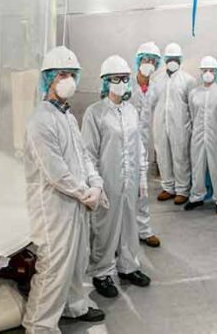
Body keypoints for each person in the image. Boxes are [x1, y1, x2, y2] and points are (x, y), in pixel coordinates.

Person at [23, 46, 107, 332]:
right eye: (62, 74)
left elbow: (83, 157)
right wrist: (87, 193)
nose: (68, 80)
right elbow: (55, 171)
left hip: (76, 203)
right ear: (48, 79)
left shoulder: (68, 117)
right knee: (55, 267)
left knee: (77, 260)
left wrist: (96, 183)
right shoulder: (40, 119)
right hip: (54, 207)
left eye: (72, 74)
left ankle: (74, 306)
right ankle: (39, 325)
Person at [82, 55, 152, 299]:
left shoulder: (132, 111)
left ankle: (128, 266)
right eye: (115, 79)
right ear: (105, 82)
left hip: (130, 180)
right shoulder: (95, 113)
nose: (121, 83)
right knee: (105, 228)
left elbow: (139, 145)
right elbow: (87, 153)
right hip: (107, 181)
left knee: (130, 225)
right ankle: (102, 273)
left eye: (124, 78)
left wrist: (142, 175)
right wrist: (95, 183)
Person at [151, 42, 196, 206]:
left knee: (180, 156)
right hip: (160, 123)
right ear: (164, 60)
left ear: (181, 59)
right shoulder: (157, 79)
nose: (172, 61)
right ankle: (168, 187)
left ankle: (182, 189)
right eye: (170, 58)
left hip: (180, 124)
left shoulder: (188, 80)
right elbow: (152, 102)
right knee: (163, 155)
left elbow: (192, 106)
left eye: (175, 58)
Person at [187, 56, 217, 213]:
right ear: (200, 72)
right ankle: (196, 196)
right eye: (205, 70)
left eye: (211, 70)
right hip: (198, 135)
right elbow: (192, 114)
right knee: (197, 167)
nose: (208, 73)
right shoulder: (194, 93)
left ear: (216, 72)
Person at [129, 41, 161, 248]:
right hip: (123, 145)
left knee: (142, 188)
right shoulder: (126, 84)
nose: (148, 63)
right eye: (145, 59)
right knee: (120, 190)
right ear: (138, 61)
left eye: (152, 61)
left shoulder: (155, 89)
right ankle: (121, 233)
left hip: (143, 145)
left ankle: (144, 230)